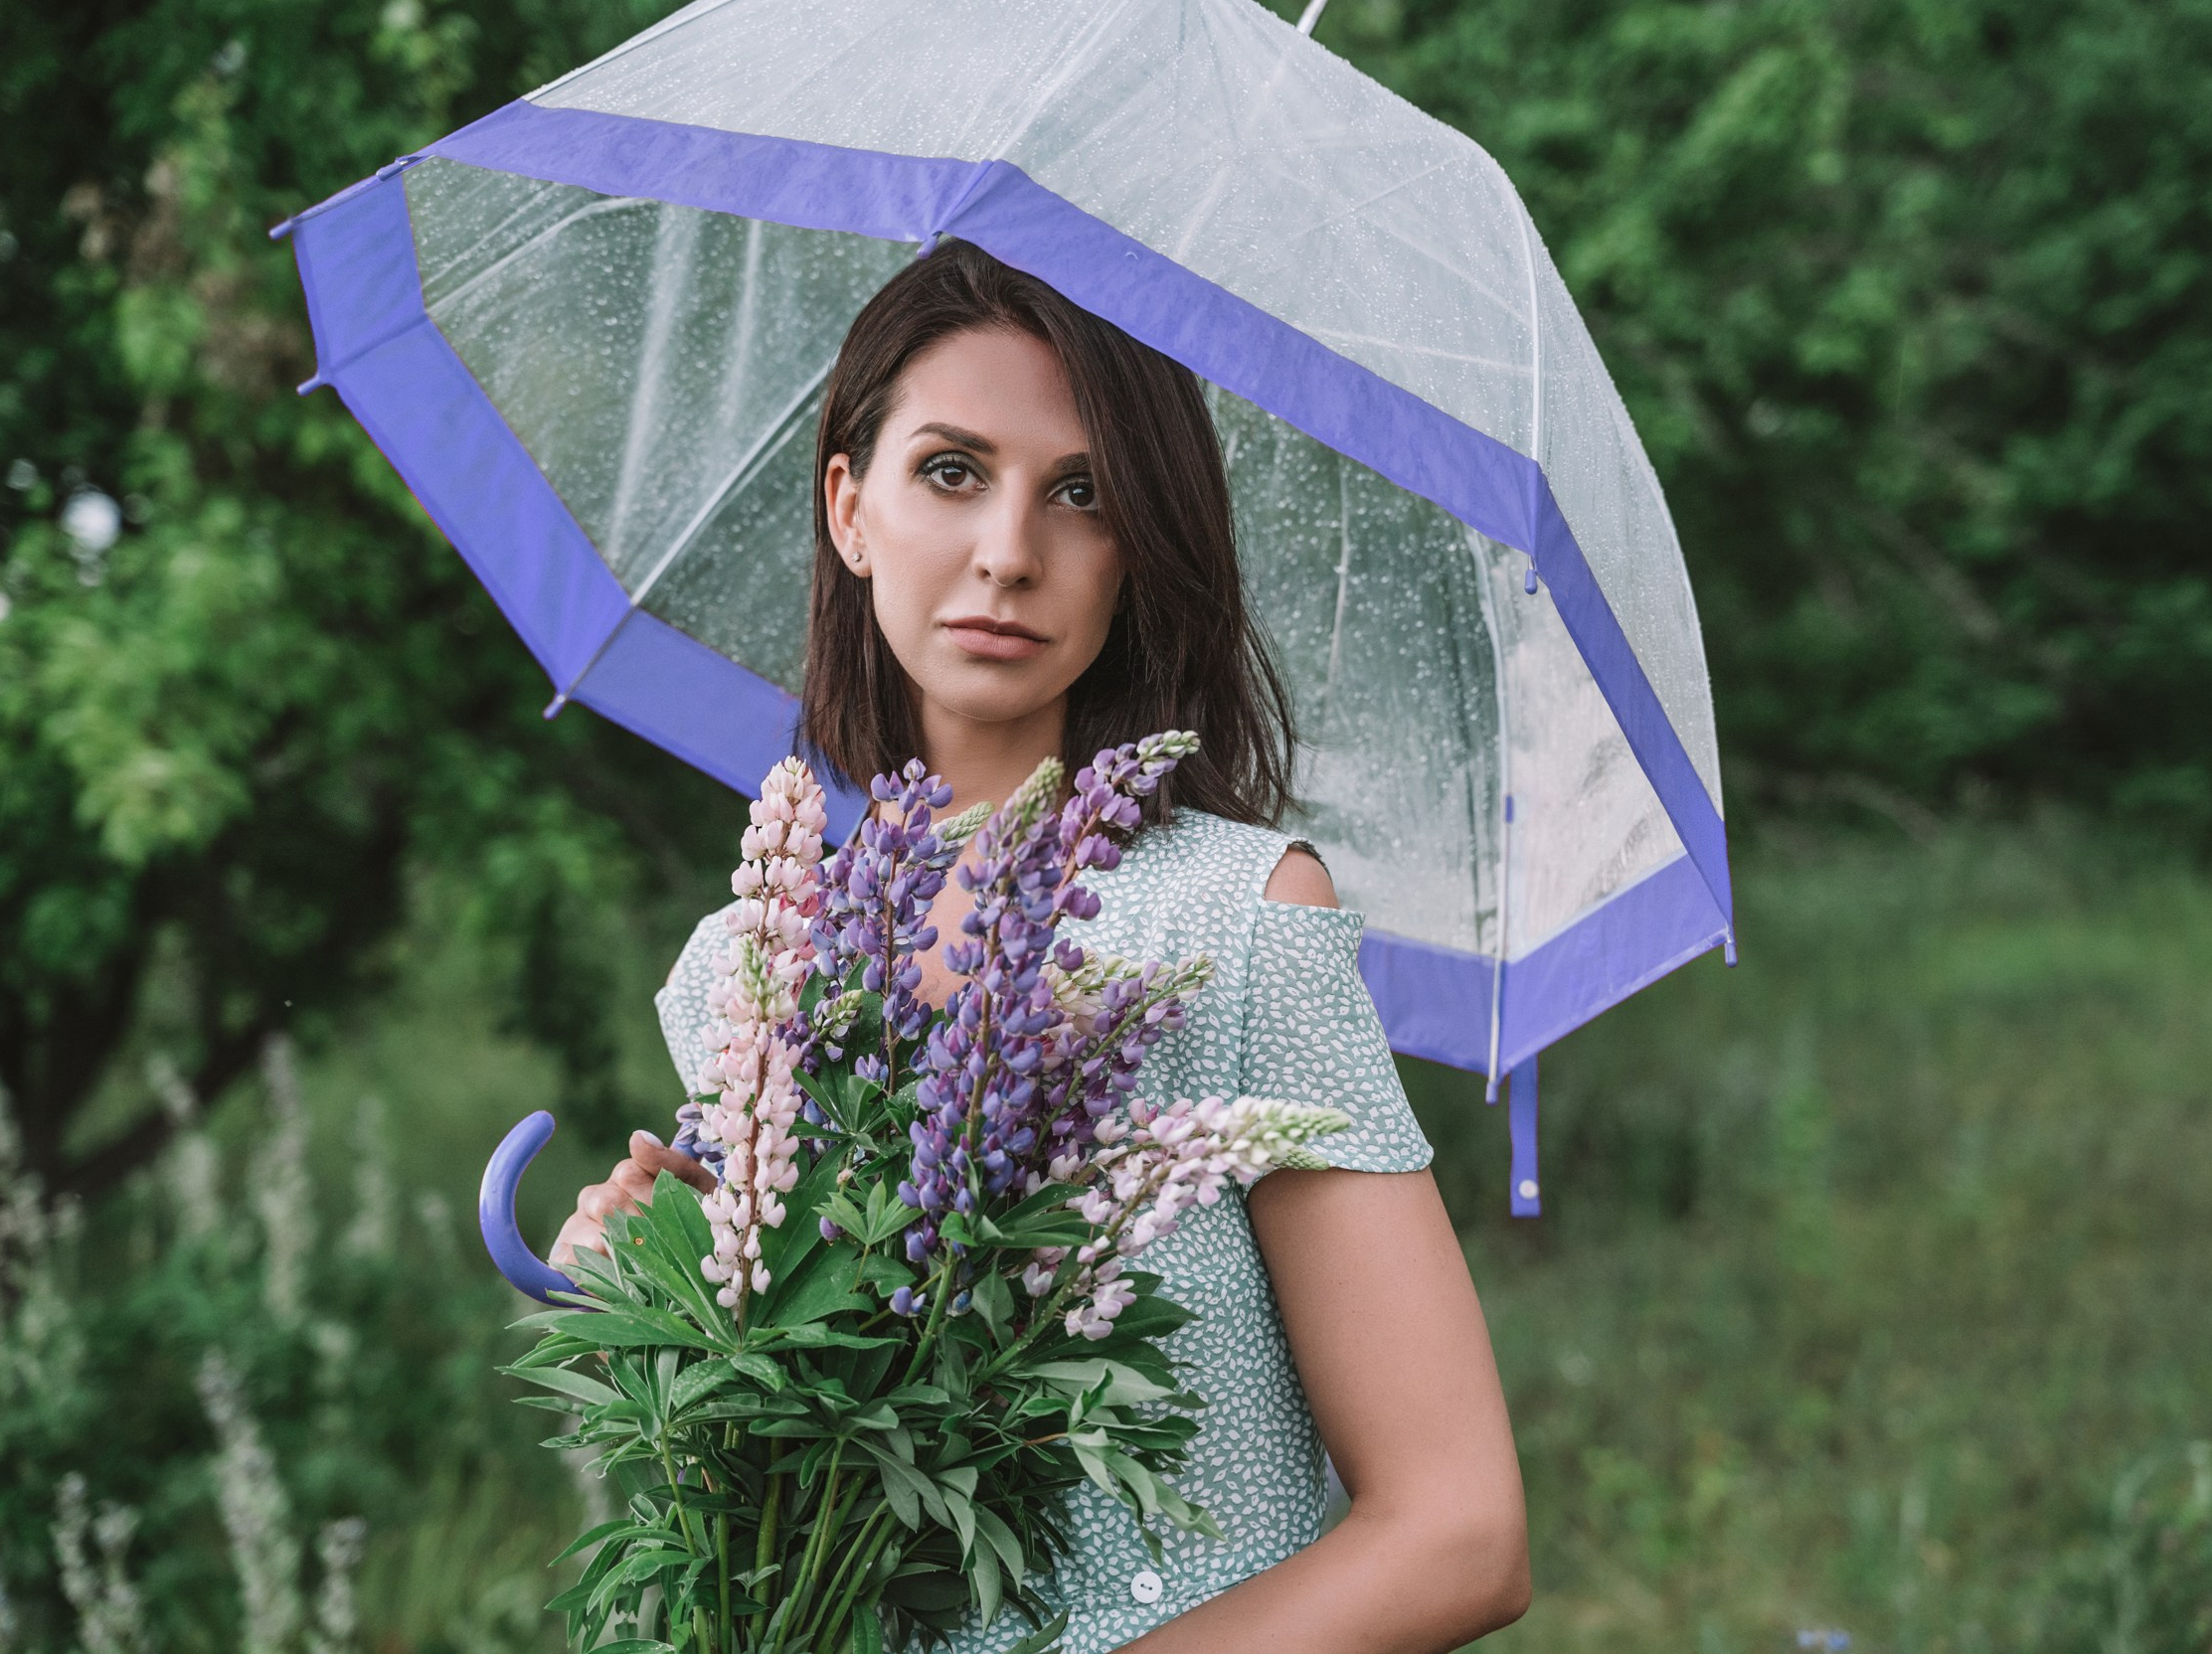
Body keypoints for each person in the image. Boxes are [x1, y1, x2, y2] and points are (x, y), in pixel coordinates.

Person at [555, 241, 1528, 1653]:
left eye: (1082, 494)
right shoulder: (744, 964)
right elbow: (774, 1515)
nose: (1011, 550)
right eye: (952, 470)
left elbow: (1459, 1531)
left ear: (1139, 549)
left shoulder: (1240, 922)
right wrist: (646, 1293)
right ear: (849, 507)